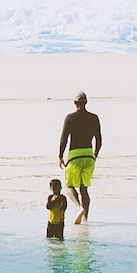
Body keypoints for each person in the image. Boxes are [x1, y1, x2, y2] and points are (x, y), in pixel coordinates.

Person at [59, 93, 102, 226]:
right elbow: (99, 139)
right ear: (86, 102)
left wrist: (60, 156)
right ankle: (85, 219)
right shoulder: (94, 118)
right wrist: (95, 154)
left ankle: (79, 208)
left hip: (74, 156)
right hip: (88, 155)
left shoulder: (70, 118)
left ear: (74, 103)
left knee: (69, 186)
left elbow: (64, 139)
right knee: (84, 189)